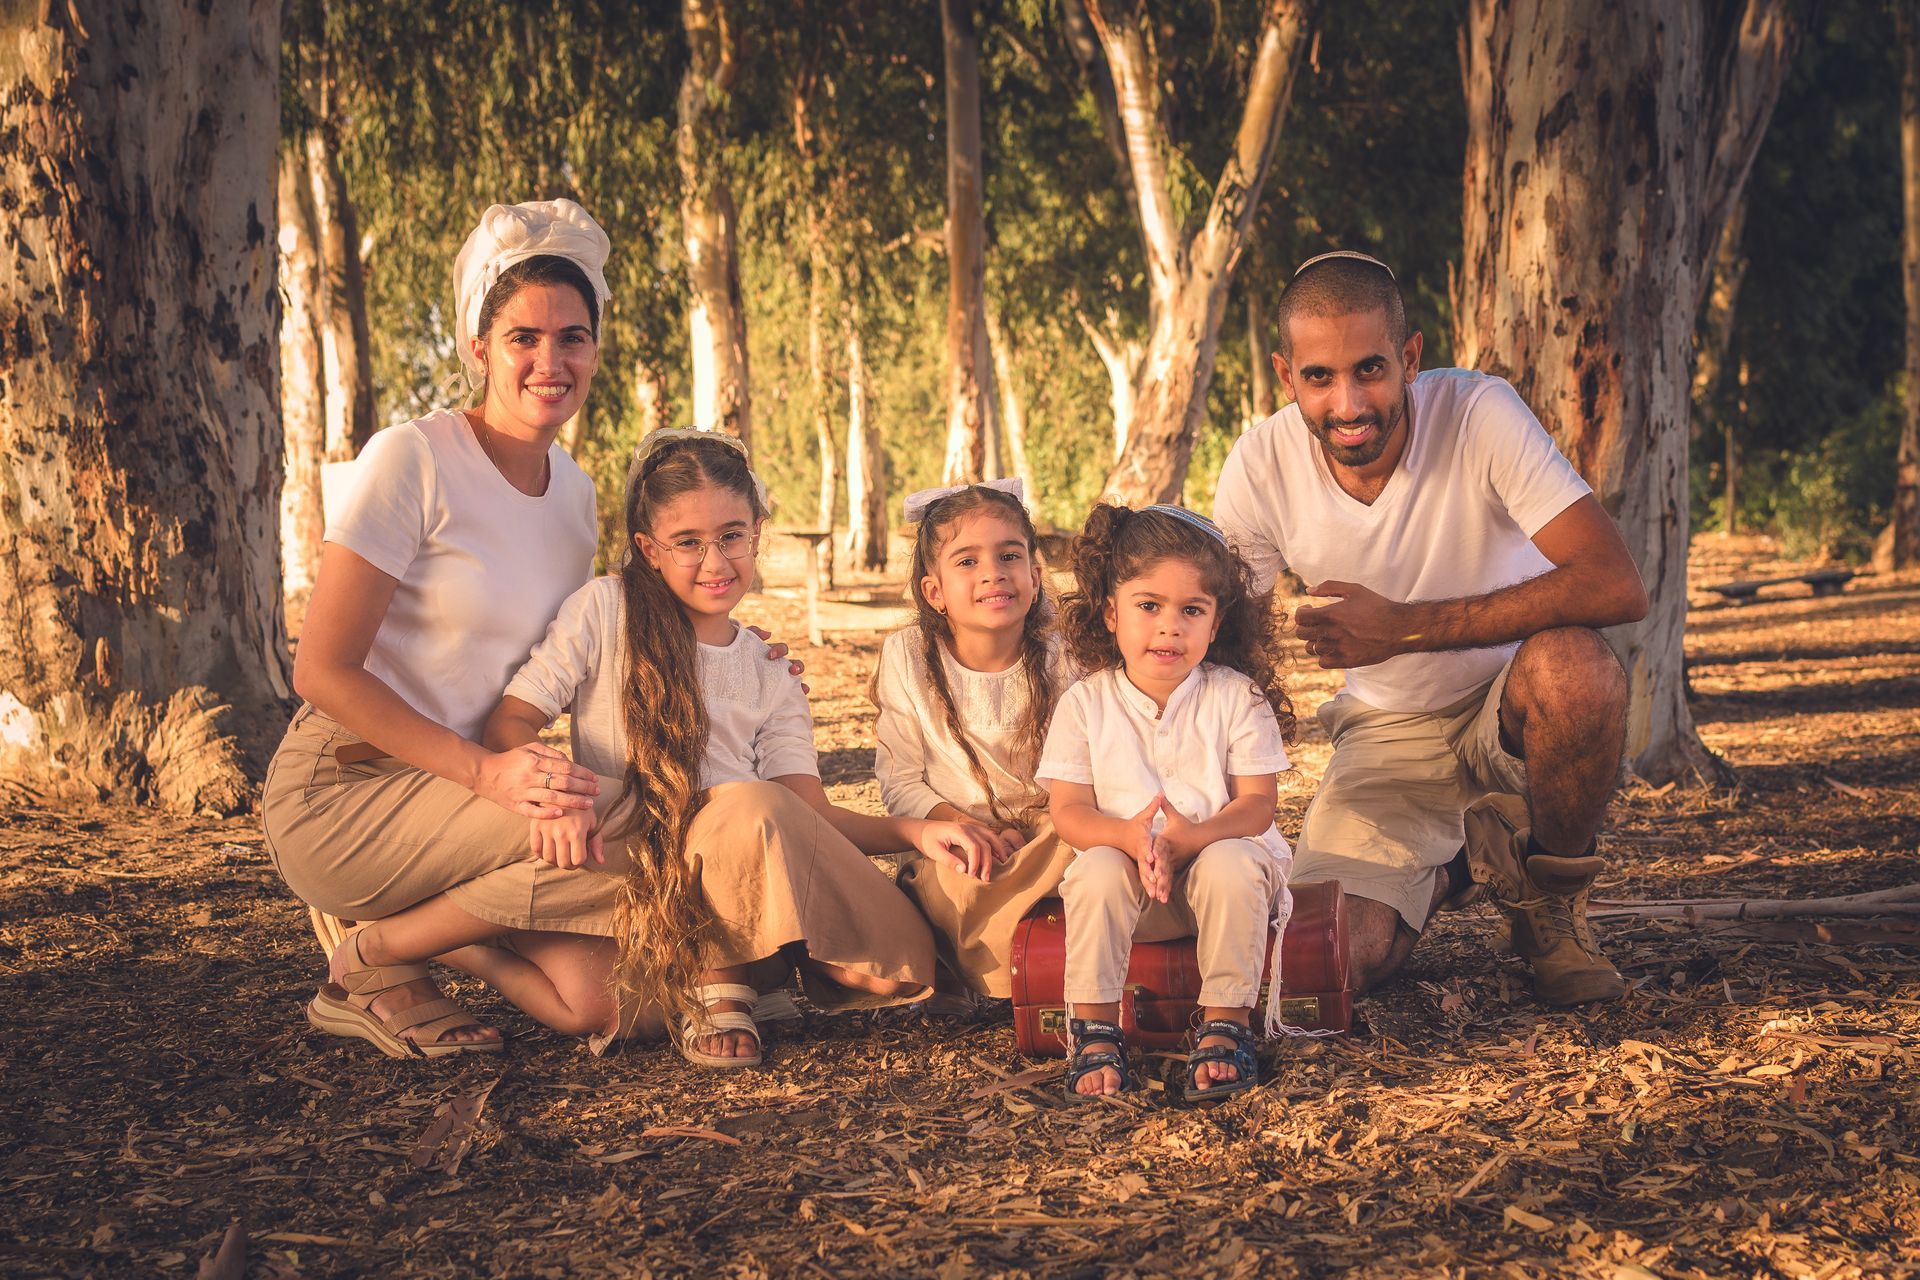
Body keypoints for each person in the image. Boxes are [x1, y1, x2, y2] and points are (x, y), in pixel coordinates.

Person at [1211, 250, 1651, 1008]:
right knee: (1335, 961)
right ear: (1287, 377)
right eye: (1319, 377)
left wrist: (1404, 629)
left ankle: (1551, 904)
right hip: (1387, 735)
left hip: (1511, 709)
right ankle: (1460, 864)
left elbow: (1615, 582)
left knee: (1576, 668)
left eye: (1370, 369)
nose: (1348, 404)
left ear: (1410, 358)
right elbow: (1222, 645)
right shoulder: (1259, 465)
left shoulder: (1480, 413)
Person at [484, 430, 1002, 1068]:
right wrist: (553, 790)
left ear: (757, 531)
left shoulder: (770, 672)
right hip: (635, 857)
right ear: (648, 549)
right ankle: (718, 977)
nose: (715, 562)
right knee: (611, 1007)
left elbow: (810, 816)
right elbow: (512, 721)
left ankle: (753, 964)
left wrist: (916, 832)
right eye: (688, 543)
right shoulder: (605, 611)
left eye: (732, 536)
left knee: (897, 969)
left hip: (745, 864)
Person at [263, 199, 630, 1056]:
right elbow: (320, 672)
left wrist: (737, 657)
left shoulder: (575, 497)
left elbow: (576, 653)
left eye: (573, 337)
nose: (551, 360)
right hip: (346, 791)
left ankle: (411, 935)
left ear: (596, 349)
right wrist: (492, 777)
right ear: (478, 348)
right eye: (523, 338)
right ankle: (369, 945)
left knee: (596, 1000)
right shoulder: (414, 458)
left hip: (475, 796)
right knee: (630, 826)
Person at [1037, 504, 1296, 1104]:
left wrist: (1193, 839)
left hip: (1223, 891)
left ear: (1216, 620)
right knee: (1096, 868)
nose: (1169, 627)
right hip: (1134, 891)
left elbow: (1258, 806)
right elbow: (1069, 812)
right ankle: (1095, 1029)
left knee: (1234, 860)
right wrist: (1128, 838)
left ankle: (1226, 1023)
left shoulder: (1236, 698)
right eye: (1148, 606)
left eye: (1192, 611)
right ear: (1109, 612)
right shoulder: (1085, 704)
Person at [870, 480, 1075, 999]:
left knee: (1086, 847)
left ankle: (1047, 955)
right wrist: (966, 827)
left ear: (1034, 575)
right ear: (933, 591)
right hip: (955, 839)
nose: (992, 573)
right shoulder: (907, 655)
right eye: (966, 561)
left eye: (1009, 555)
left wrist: (1049, 825)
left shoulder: (1068, 651)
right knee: (960, 882)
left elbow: (1092, 765)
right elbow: (900, 782)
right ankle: (1015, 958)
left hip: (1055, 830)